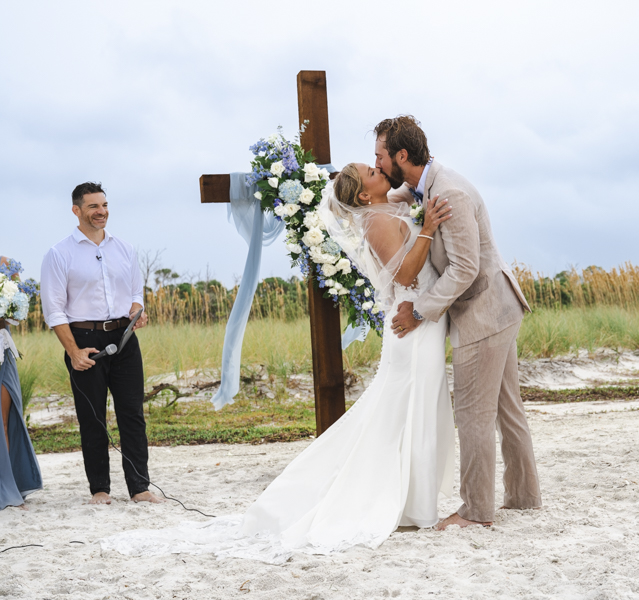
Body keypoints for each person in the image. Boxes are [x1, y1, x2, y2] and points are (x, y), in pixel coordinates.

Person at [103, 165, 456, 557]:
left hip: (420, 325)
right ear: (362, 195)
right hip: (412, 328)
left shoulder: (387, 207)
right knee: (406, 411)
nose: (380, 169)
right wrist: (428, 229)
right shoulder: (376, 221)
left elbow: (404, 212)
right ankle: (411, 506)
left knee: (411, 410)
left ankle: (413, 502)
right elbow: (404, 277)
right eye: (372, 170)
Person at [375, 115, 542, 530]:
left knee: (472, 415)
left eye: (380, 156)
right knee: (507, 409)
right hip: (498, 308)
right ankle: (524, 496)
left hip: (483, 314)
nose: (377, 164)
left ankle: (476, 512)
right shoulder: (421, 186)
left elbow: (465, 268)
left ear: (401, 155)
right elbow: (391, 198)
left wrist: (418, 310)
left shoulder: (448, 192)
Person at [40, 182, 161, 504]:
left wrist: (137, 310)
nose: (101, 211)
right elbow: (54, 310)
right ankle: (100, 490)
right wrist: (73, 351)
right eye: (93, 206)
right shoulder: (59, 253)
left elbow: (135, 292)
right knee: (92, 418)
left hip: (125, 339)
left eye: (104, 205)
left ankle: (140, 488)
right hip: (85, 341)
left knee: (132, 415)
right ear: (76, 210)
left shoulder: (125, 248)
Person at [0, 256, 43, 510]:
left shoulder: (6, 265)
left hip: (2, 351)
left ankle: (7, 487)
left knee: (5, 422)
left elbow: (17, 312)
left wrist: (7, 309)